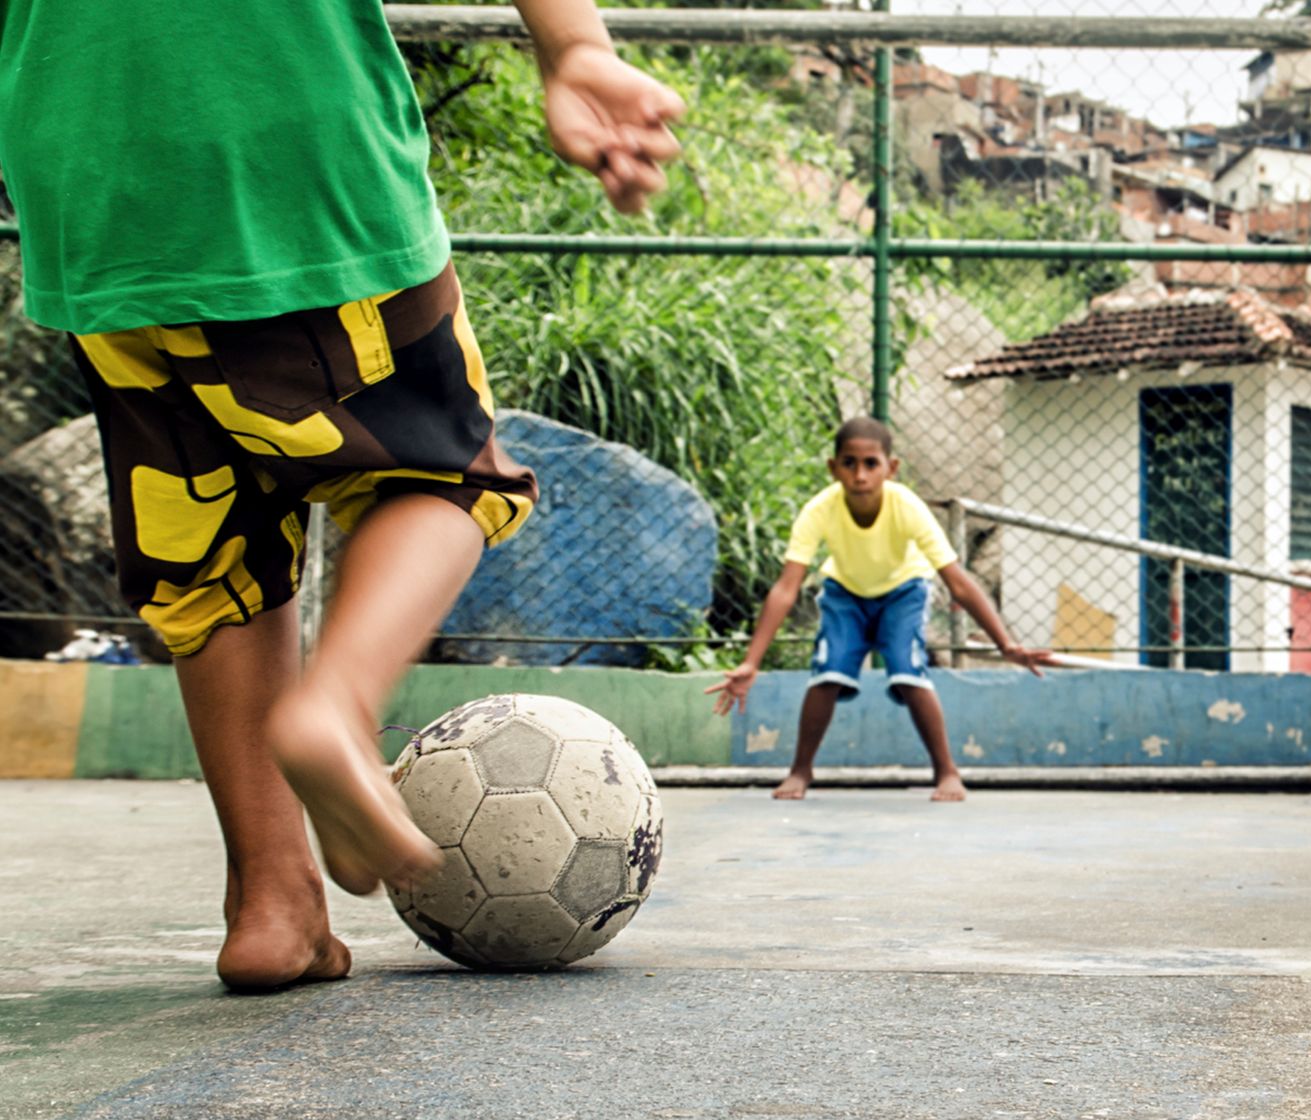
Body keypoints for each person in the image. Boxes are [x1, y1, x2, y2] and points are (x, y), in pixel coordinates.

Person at [0, 0, 684, 990]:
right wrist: (574, 44)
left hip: (84, 174)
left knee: (216, 557)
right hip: (287, 146)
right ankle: (338, 705)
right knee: (446, 475)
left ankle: (274, 907)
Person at [707, 417, 1053, 801]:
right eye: (849, 463)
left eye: (871, 463)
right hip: (846, 594)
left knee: (908, 672)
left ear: (891, 468)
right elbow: (786, 588)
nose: (860, 475)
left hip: (902, 592)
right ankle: (800, 771)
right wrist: (752, 662)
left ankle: (947, 771)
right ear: (833, 467)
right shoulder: (820, 509)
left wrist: (1005, 644)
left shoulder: (907, 506)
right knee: (827, 672)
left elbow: (958, 581)